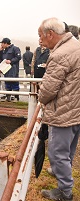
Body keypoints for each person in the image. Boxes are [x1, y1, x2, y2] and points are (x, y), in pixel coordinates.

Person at [38, 17, 80, 201]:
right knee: (68, 149)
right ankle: (62, 174)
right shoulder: (75, 45)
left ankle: (65, 191)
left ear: (50, 34)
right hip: (76, 109)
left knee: (56, 152)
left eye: (41, 35)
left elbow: (47, 90)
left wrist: (41, 99)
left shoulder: (60, 54)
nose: (40, 39)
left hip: (64, 110)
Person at [0, 38, 21, 102]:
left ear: (5, 43)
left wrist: (11, 61)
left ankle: (16, 97)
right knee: (7, 84)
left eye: (2, 43)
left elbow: (19, 57)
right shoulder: (4, 50)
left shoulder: (15, 48)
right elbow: (1, 60)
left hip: (13, 70)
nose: (1, 45)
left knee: (14, 83)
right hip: (6, 70)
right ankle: (8, 98)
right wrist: (0, 51)